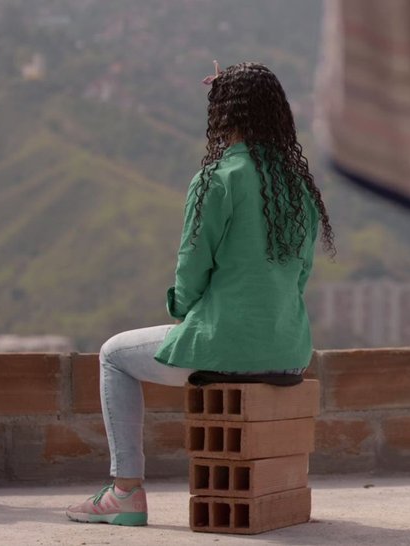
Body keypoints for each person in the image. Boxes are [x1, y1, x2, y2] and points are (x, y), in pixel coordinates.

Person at [66, 61, 334, 526]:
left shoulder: (218, 178)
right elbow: (301, 274)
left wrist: (182, 308)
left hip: (226, 345)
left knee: (113, 355)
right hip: (290, 351)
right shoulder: (299, 187)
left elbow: (191, 269)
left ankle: (125, 492)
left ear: (223, 114)